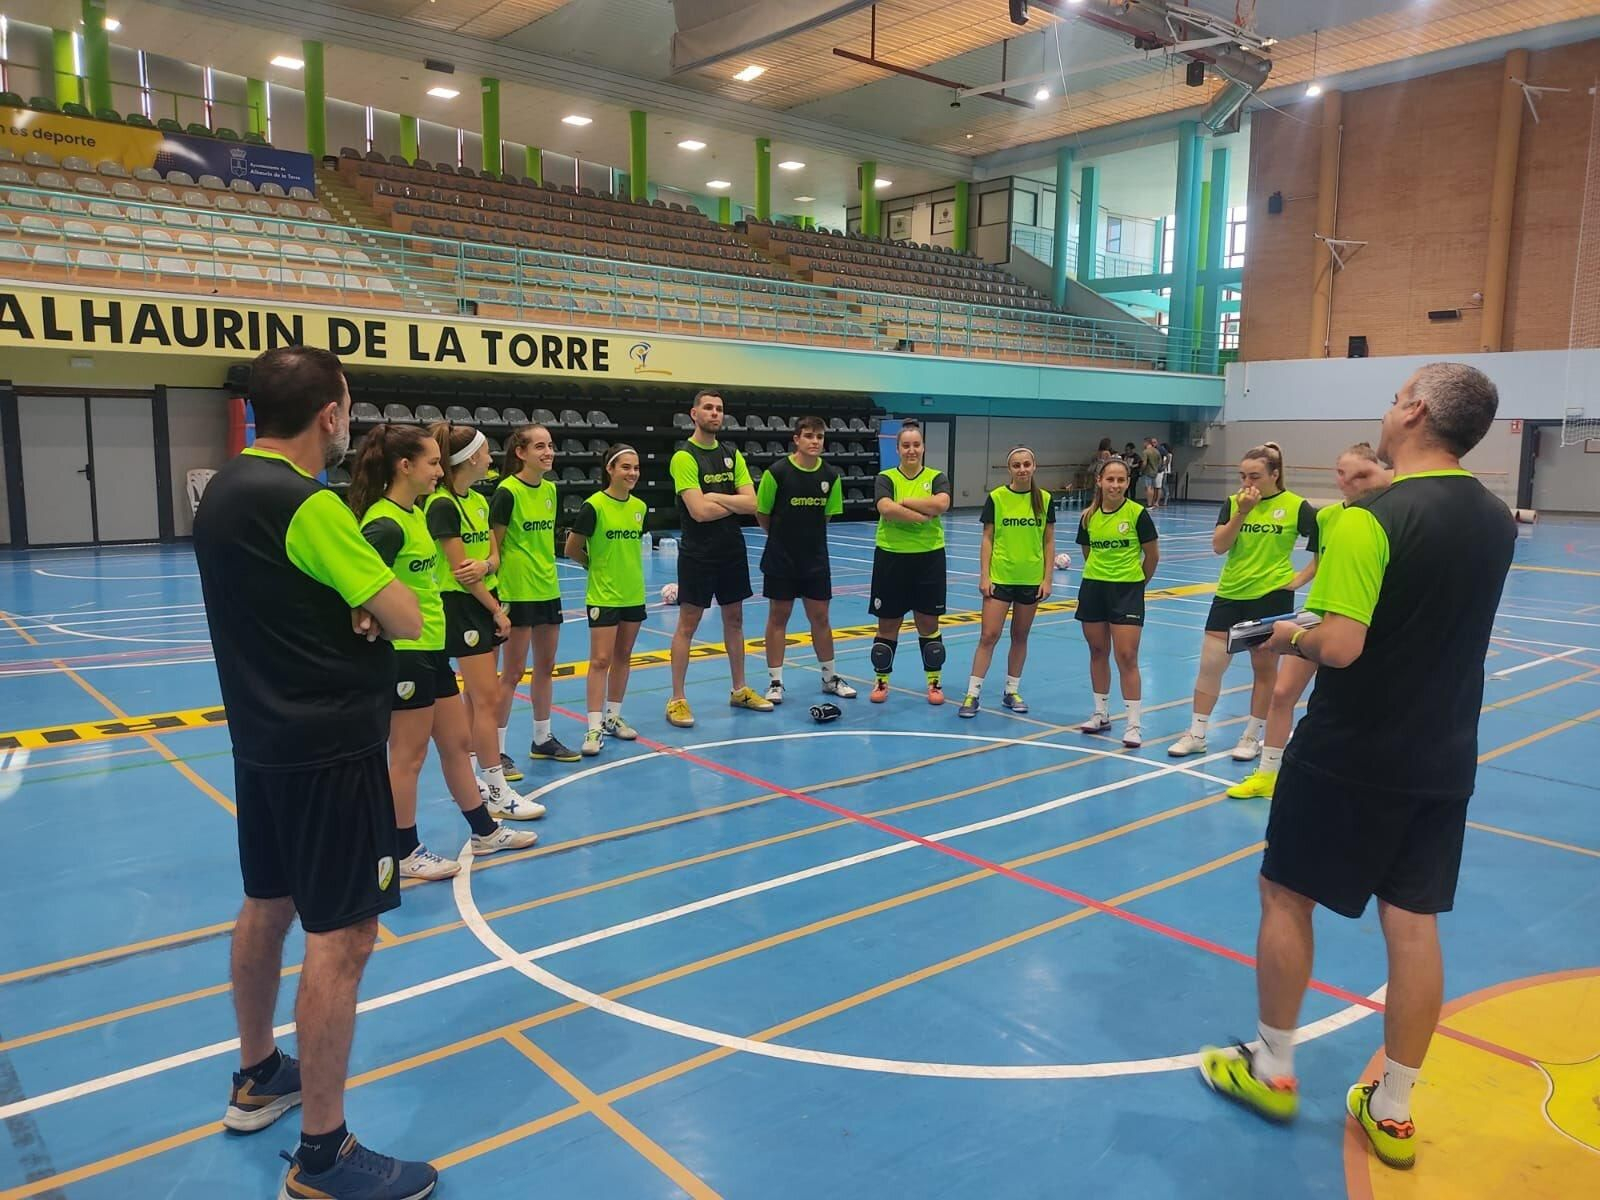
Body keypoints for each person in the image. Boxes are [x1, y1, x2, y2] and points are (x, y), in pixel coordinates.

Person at [1199, 364, 1514, 1172]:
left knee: (1284, 893)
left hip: (1350, 752)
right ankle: (1396, 1107)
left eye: (1394, 395)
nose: (1385, 409)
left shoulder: (1368, 520)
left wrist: (1282, 637)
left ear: (1414, 411)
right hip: (1443, 752)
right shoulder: (1494, 517)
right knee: (1412, 922)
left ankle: (1270, 1067)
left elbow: (1339, 643)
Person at [192, 346, 436, 1199]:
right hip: (330, 749)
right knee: (345, 936)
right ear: (331, 413)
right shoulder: (310, 505)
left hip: (261, 744)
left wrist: (349, 608)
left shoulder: (221, 492)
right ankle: (324, 1153)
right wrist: (369, 606)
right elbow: (402, 613)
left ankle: (258, 1073)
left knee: (268, 902)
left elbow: (292, 601)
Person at [351, 425, 539, 884]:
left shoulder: (413, 514)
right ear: (405, 466)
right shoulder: (384, 523)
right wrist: (367, 615)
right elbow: (354, 584)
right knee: (408, 757)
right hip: (404, 654)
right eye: (434, 463)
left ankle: (484, 831)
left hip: (432, 648)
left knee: (456, 744)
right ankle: (404, 849)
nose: (440, 470)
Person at [1228, 443, 1392, 799]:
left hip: (1358, 618)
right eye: (1341, 472)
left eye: (1360, 473)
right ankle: (1268, 773)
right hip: (1318, 614)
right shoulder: (1328, 517)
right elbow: (1320, 561)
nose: (1348, 480)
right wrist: (1299, 583)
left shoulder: (1383, 518)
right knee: (1283, 693)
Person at [428, 422, 553, 810]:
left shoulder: (479, 501)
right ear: (468, 460)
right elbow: (459, 572)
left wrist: (486, 567)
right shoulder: (442, 504)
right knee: (485, 699)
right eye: (483, 451)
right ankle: (496, 788)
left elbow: (490, 557)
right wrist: (496, 607)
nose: (489, 457)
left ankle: (474, 777)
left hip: (487, 600)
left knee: (478, 696)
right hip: (466, 608)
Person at [1168, 442, 1318, 763]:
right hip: (1230, 594)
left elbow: (1327, 546)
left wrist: (1300, 579)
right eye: (1243, 476)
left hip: (1270, 598)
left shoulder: (1296, 506)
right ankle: (1196, 733)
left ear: (1274, 474)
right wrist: (1242, 512)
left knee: (1263, 669)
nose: (1248, 483)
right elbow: (1219, 546)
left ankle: (1251, 736)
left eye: (1255, 476)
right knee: (1210, 667)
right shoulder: (1234, 503)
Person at [665, 389, 774, 728]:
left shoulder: (731, 453)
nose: (715, 413)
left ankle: (739, 688)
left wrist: (713, 496)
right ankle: (678, 699)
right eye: (708, 408)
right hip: (698, 553)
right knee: (687, 625)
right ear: (694, 414)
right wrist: (728, 500)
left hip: (731, 549)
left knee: (736, 621)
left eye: (719, 409)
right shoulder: (683, 457)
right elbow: (697, 512)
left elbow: (753, 504)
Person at [490, 423, 579, 765]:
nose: (548, 452)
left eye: (551, 445)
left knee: (546, 666)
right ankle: (495, 749)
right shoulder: (507, 492)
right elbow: (493, 545)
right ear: (520, 452)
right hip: (517, 591)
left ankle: (542, 738)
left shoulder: (550, 491)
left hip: (547, 588)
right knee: (512, 673)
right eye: (539, 446)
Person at [757, 415, 857, 704]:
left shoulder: (831, 476)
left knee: (821, 618)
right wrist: (782, 539)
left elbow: (825, 517)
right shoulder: (776, 473)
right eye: (809, 436)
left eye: (820, 437)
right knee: (778, 617)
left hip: (814, 560)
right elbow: (763, 513)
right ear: (796, 439)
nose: (815, 441)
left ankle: (829, 677)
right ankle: (775, 682)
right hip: (781, 559)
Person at [958, 446, 1055, 718]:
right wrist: (985, 575)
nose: (1022, 469)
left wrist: (1047, 579)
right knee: (988, 636)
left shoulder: (1045, 499)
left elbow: (1048, 540)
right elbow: (987, 538)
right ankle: (972, 694)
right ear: (1009, 469)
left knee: (1020, 636)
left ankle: (1011, 691)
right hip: (1000, 578)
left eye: (1026, 464)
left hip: (1030, 579)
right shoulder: (997, 498)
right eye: (1016, 465)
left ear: (1034, 467)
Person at [566, 445, 649, 756]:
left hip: (633, 593)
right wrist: (594, 566)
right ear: (610, 470)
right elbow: (572, 549)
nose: (632, 473)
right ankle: (593, 726)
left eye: (636, 468)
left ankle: (614, 716)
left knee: (624, 656)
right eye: (625, 467)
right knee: (600, 660)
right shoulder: (594, 506)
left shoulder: (639, 507)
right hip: (603, 594)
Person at [1073, 458, 1159, 747]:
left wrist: (1136, 584)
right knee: (1098, 651)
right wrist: (1101, 575)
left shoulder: (1137, 514)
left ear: (1127, 482)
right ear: (1099, 481)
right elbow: (1088, 552)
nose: (1116, 485)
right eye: (1110, 479)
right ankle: (1101, 713)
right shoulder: (1087, 517)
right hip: (1094, 588)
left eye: (1121, 480)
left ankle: (1133, 724)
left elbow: (1152, 556)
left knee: (1126, 656)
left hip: (1127, 592)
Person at [870, 420, 953, 705]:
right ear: (897, 448)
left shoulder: (937, 476)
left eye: (916, 445)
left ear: (923, 447)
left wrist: (903, 502)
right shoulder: (885, 477)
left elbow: (941, 504)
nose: (911, 450)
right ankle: (881, 682)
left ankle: (934, 683)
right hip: (891, 557)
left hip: (929, 557)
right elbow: (885, 508)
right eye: (906, 445)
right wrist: (920, 514)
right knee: (888, 624)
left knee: (928, 623)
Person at [1140, 437, 1162, 508]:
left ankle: (1149, 503)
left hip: (1148, 471)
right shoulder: (1157, 451)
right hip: (1155, 472)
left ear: (1146, 443)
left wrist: (1141, 470)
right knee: (1152, 487)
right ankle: (1152, 502)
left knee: (1148, 487)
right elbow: (1160, 462)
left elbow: (1144, 463)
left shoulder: (1146, 452)